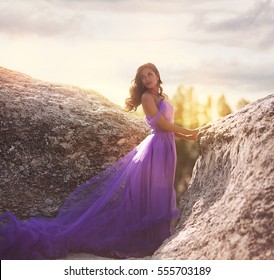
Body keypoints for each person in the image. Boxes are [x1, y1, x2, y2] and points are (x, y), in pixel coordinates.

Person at [0, 63, 198, 259]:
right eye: (143, 76)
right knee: (153, 192)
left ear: (157, 75)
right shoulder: (147, 97)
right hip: (156, 148)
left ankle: (158, 237)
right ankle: (150, 240)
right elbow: (162, 124)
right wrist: (188, 133)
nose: (147, 78)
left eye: (150, 74)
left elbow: (168, 124)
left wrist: (183, 135)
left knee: (162, 190)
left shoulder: (163, 97)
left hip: (167, 147)